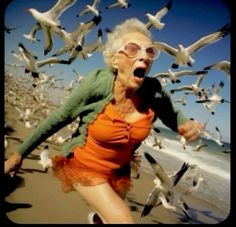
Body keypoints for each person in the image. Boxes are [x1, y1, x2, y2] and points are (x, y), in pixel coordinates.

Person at [4, 18, 203, 224]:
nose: (144, 56)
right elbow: (59, 118)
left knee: (105, 220)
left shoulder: (155, 92)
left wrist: (186, 125)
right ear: (115, 60)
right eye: (133, 49)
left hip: (119, 172)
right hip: (85, 165)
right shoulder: (98, 83)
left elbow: (174, 115)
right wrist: (18, 155)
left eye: (149, 51)